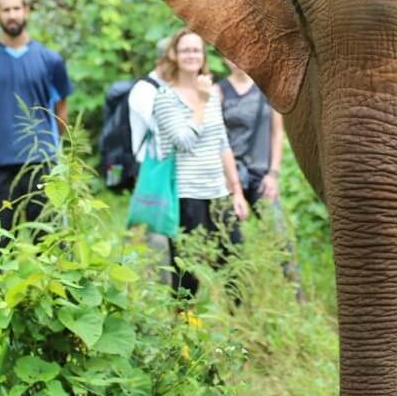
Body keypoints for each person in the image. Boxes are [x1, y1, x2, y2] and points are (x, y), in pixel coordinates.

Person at [0, 0, 72, 248]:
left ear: (26, 11)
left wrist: (49, 146)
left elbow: (61, 112)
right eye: (6, 10)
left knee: (51, 245)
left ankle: (51, 291)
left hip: (42, 165)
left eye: (16, 9)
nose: (12, 15)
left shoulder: (50, 60)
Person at [152, 28, 248, 298]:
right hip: (186, 195)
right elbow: (184, 141)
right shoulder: (165, 98)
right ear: (174, 55)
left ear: (203, 55)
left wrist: (236, 192)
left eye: (196, 50)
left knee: (235, 262)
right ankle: (183, 328)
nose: (191, 55)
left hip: (218, 193)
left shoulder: (212, 94)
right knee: (187, 270)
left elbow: (223, 144)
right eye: (185, 50)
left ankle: (235, 329)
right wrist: (201, 104)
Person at [219, 58, 303, 298]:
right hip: (230, 175)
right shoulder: (219, 91)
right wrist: (231, 185)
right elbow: (216, 137)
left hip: (261, 175)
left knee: (280, 234)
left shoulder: (267, 90)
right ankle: (236, 301)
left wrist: (273, 174)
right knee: (230, 241)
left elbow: (277, 134)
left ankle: (297, 296)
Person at [127, 37, 170, 279]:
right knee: (156, 235)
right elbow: (163, 127)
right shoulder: (144, 90)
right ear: (162, 60)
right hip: (151, 170)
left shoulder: (181, 87)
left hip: (175, 171)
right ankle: (158, 290)